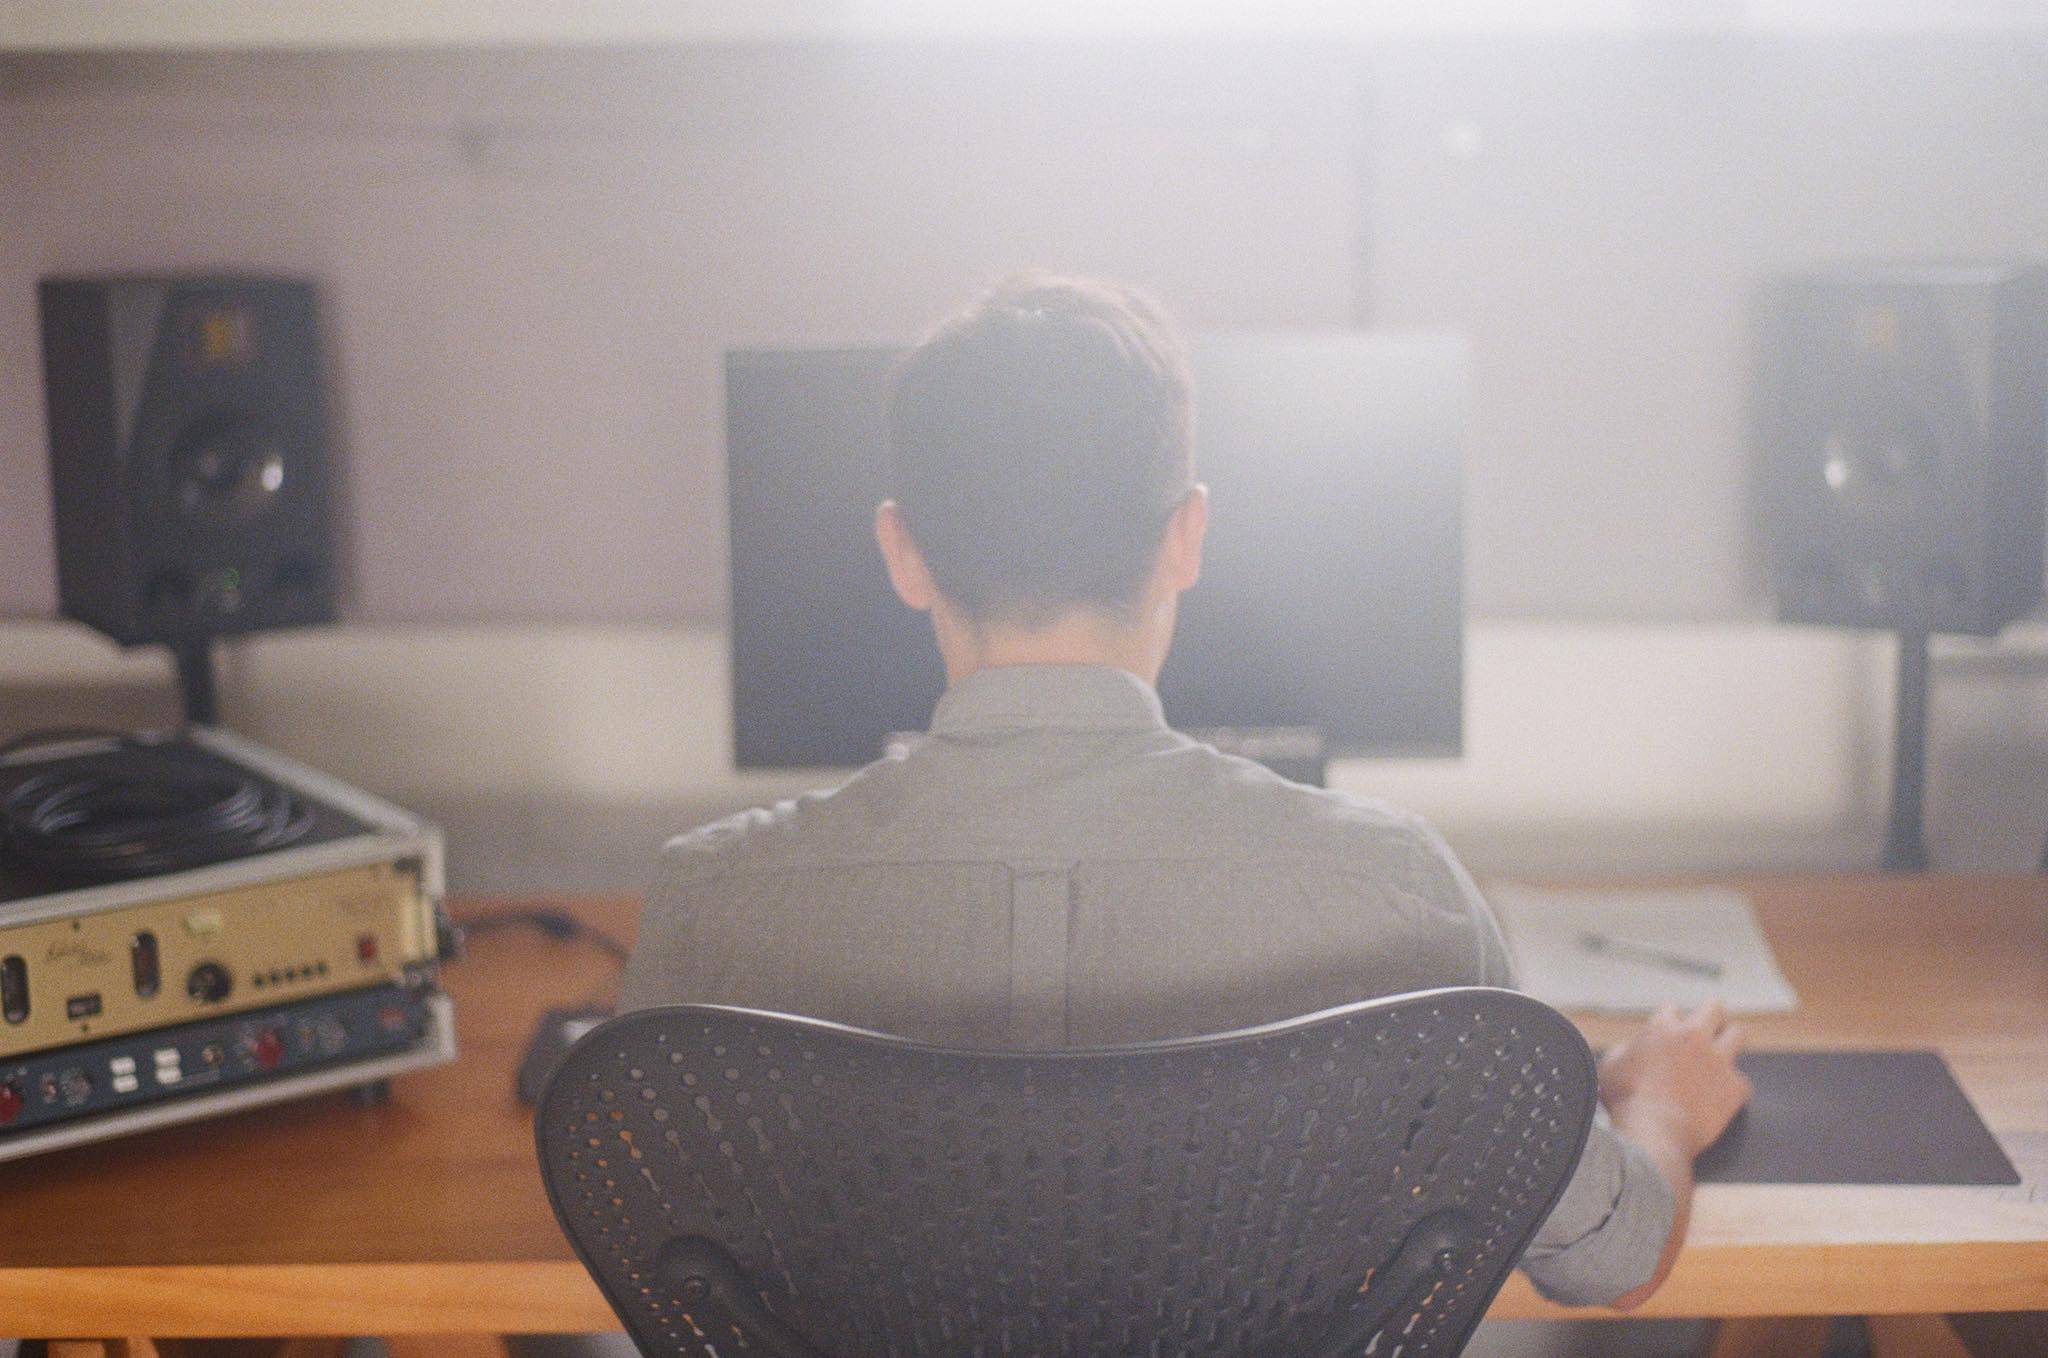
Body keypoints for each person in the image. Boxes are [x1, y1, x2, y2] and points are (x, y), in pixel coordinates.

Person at [621, 273, 1752, 1308]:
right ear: (1185, 536)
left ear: (902, 552)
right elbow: (1605, 1256)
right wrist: (1654, 1100)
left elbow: (659, 1244)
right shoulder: (1390, 892)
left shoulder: (707, 906)